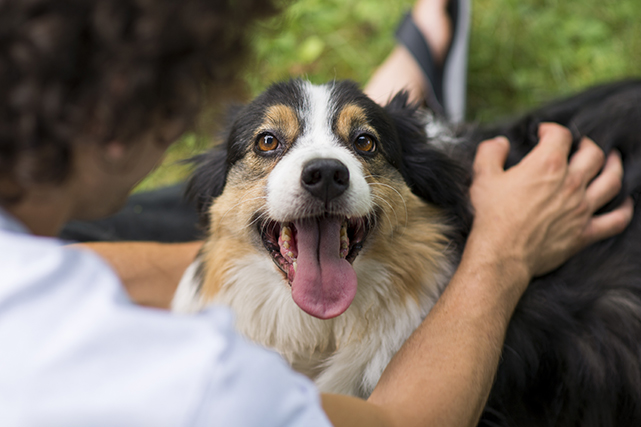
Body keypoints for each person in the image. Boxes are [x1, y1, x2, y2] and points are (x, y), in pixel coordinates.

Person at [0, 1, 633, 426]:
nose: (324, 167)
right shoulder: (208, 389)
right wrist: (505, 248)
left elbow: (78, 266)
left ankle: (399, 97)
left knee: (106, 225)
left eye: (361, 146)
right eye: (271, 144)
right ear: (114, 121)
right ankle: (401, 96)